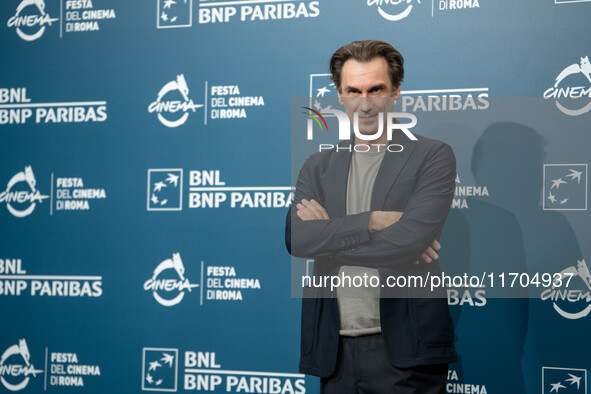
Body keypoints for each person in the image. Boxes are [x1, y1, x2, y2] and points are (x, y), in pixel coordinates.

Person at [285, 40, 457, 393]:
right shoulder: (317, 166)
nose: (365, 104)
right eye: (353, 91)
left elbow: (408, 242)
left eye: (376, 89)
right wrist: (371, 222)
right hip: (334, 351)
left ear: (395, 92)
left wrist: (328, 239)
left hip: (407, 352)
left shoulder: (431, 156)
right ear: (340, 95)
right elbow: (297, 239)